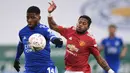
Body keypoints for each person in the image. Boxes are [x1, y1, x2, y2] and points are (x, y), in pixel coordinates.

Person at [47, 1, 115, 73]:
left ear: (88, 27)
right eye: (79, 22)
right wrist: (49, 13)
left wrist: (109, 70)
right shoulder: (70, 30)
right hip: (68, 70)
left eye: (84, 23)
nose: (80, 25)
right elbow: (53, 26)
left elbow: (99, 58)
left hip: (82, 71)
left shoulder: (90, 40)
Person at [13, 6, 63, 73]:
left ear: (39, 18)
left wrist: (57, 40)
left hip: (45, 68)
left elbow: (52, 37)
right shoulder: (22, 32)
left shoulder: (44, 29)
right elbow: (21, 45)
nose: (29, 20)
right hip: (30, 69)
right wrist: (17, 59)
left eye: (33, 17)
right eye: (27, 17)